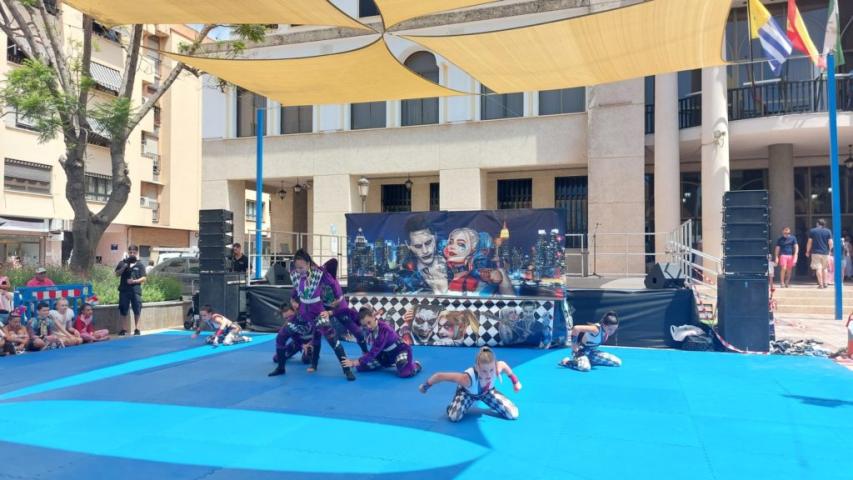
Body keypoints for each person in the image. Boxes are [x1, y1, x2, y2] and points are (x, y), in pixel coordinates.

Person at [288, 249, 355, 380]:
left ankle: (347, 369)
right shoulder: (296, 275)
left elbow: (333, 283)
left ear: (308, 264)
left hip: (318, 313)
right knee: (301, 333)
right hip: (304, 314)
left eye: (301, 267)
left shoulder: (319, 274)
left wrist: (338, 298)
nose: (299, 270)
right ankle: (313, 364)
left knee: (333, 340)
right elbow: (296, 289)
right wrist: (292, 300)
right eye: (297, 268)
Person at [419, 346, 521, 423]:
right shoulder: (467, 379)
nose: (489, 375)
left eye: (491, 370)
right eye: (484, 371)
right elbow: (440, 376)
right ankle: (451, 407)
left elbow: (504, 365)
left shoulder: (497, 368)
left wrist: (515, 382)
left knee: (513, 414)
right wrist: (425, 386)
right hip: (467, 394)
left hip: (487, 392)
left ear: (494, 365)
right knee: (454, 417)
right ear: (477, 367)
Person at [310, 258, 369, 365]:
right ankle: (314, 359)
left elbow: (340, 300)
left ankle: (365, 352)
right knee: (317, 332)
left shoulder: (330, 278)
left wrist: (333, 308)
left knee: (356, 331)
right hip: (324, 308)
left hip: (339, 308)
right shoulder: (315, 277)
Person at [342, 307, 422, 378]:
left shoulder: (384, 330)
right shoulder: (369, 326)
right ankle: (386, 363)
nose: (368, 327)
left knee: (405, 372)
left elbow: (374, 352)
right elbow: (353, 315)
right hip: (385, 355)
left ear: (373, 317)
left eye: (369, 323)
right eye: (365, 325)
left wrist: (354, 362)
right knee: (361, 367)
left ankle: (416, 365)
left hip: (400, 350)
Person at [399, 215, 448, 294]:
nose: (425, 251)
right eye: (418, 246)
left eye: (428, 243)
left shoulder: (451, 259)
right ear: (408, 245)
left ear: (435, 237)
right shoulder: (407, 273)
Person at [268, 299, 315, 377]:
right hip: (300, 342)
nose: (289, 319)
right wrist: (302, 345)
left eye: (290, 316)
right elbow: (291, 338)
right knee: (276, 358)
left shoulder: (308, 316)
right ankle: (281, 367)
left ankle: (313, 352)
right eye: (286, 318)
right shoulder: (289, 325)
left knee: (306, 360)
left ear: (294, 311)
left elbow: (318, 333)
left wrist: (311, 343)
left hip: (311, 341)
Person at [114, 245, 147, 335]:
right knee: (123, 308)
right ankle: (123, 329)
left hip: (135, 290)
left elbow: (144, 278)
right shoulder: (122, 263)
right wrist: (125, 266)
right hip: (124, 290)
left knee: (137, 308)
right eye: (130, 252)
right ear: (128, 252)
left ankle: (137, 329)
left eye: (134, 252)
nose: (132, 254)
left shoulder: (140, 265)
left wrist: (134, 281)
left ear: (137, 253)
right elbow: (117, 274)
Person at [805, 219, 833, 289]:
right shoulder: (828, 231)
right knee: (825, 268)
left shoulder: (813, 231)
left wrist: (807, 251)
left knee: (818, 268)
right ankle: (825, 283)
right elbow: (830, 242)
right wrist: (830, 251)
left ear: (817, 223)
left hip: (815, 252)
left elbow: (809, 242)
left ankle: (820, 284)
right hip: (825, 252)